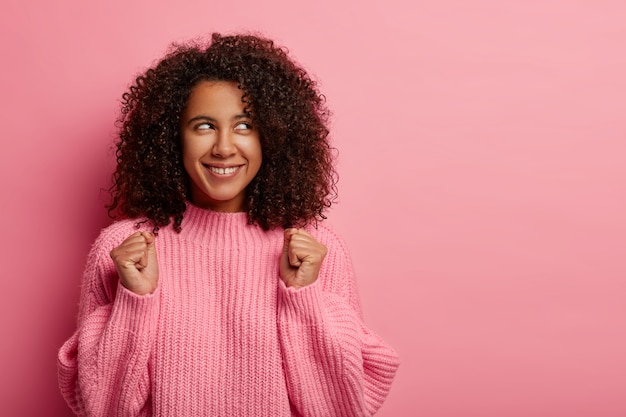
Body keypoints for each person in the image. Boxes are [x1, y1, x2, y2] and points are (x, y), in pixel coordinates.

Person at [58, 32, 399, 417]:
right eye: (204, 126)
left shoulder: (316, 251)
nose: (223, 146)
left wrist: (302, 299)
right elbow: (99, 407)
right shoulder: (123, 250)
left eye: (244, 126)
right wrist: (135, 303)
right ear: (174, 138)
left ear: (273, 136)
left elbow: (343, 407)